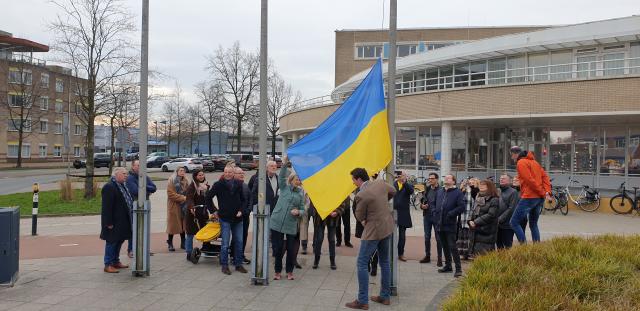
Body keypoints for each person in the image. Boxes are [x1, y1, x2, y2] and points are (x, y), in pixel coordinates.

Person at [346, 168, 396, 310]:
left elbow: (360, 216)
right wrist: (382, 205)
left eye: (353, 180)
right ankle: (385, 296)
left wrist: (368, 216)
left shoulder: (361, 194)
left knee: (362, 263)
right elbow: (393, 191)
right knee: (385, 262)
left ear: (358, 179)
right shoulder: (381, 183)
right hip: (387, 227)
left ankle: (362, 300)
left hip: (373, 231)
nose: (353, 183)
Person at [205, 166, 247, 275]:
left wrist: (241, 211)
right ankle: (224, 265)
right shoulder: (218, 184)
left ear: (233, 173)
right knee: (225, 244)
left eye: (230, 172)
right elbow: (208, 197)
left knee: (239, 242)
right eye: (226, 172)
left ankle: (238, 264)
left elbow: (243, 200)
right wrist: (213, 211)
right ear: (223, 173)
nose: (227, 174)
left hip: (238, 218)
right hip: (225, 218)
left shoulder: (238, 184)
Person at [269, 156, 305, 280]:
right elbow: (282, 175)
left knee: (291, 250)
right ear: (291, 180)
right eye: (296, 179)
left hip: (290, 224)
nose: (298, 181)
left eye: (300, 180)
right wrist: (284, 164)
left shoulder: (300, 194)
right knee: (278, 249)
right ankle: (277, 272)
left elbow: (303, 209)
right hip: (277, 222)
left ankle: (289, 272)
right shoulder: (284, 188)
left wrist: (298, 212)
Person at [508, 146, 551, 244]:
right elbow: (545, 177)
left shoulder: (521, 163)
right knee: (533, 224)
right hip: (539, 198)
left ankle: (524, 248)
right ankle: (536, 248)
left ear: (515, 154)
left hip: (529, 197)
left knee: (513, 222)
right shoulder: (535, 163)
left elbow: (529, 180)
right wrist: (546, 192)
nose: (512, 158)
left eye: (511, 155)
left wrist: (541, 192)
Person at [101, 167, 133, 273]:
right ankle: (108, 264)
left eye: (126, 174)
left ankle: (115, 261)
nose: (126, 175)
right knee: (112, 241)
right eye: (124, 173)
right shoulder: (109, 187)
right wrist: (108, 222)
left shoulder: (122, 185)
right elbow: (107, 207)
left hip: (122, 221)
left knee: (119, 240)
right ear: (116, 175)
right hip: (113, 222)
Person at [433, 174, 465, 278]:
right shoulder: (440, 191)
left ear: (453, 181)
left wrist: (451, 214)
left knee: (452, 246)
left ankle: (458, 269)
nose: (446, 179)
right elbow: (433, 203)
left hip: (450, 224)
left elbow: (461, 207)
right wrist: (434, 212)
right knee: (444, 245)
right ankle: (448, 265)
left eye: (449, 178)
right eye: (445, 178)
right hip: (439, 223)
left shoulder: (458, 193)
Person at [125, 159, 157, 258]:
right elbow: (135, 191)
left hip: (145, 206)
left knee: (144, 228)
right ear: (133, 166)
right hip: (134, 207)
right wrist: (147, 190)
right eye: (138, 165)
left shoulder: (144, 177)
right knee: (134, 229)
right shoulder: (130, 178)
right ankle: (131, 250)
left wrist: (143, 187)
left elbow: (154, 188)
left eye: (141, 165)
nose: (140, 167)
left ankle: (144, 249)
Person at [310, 197, 345, 270]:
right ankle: (316, 260)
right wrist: (324, 211)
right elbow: (314, 202)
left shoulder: (337, 190)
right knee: (319, 239)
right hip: (320, 218)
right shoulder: (319, 188)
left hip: (333, 219)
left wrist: (337, 212)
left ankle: (332, 261)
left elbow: (342, 202)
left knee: (332, 240)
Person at [183, 169, 211, 262]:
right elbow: (189, 198)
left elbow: (208, 199)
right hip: (193, 214)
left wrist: (214, 210)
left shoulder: (206, 186)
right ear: (195, 176)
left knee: (206, 232)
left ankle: (206, 248)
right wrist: (191, 207)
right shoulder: (192, 187)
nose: (201, 176)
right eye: (199, 175)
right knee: (190, 234)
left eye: (202, 175)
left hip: (203, 213)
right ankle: (189, 252)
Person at [468, 179, 500, 255]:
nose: (481, 186)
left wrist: (475, 222)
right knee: (476, 254)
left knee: (485, 255)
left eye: (484, 185)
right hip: (476, 229)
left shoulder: (494, 199)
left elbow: (491, 215)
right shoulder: (478, 197)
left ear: (490, 187)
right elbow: (473, 210)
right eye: (480, 184)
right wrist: (470, 220)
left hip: (487, 230)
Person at [420, 172, 443, 266]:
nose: (430, 180)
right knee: (427, 237)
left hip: (437, 217)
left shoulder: (441, 190)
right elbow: (423, 200)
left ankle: (440, 258)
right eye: (429, 178)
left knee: (438, 238)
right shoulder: (427, 189)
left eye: (432, 178)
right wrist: (422, 206)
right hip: (427, 217)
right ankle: (427, 256)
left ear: (437, 179)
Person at [230, 167, 251, 264]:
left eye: (243, 173)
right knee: (236, 237)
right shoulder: (231, 185)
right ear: (234, 174)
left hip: (245, 215)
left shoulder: (246, 186)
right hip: (235, 216)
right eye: (239, 173)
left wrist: (247, 210)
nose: (242, 175)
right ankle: (234, 255)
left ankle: (240, 254)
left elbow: (250, 200)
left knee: (244, 235)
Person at [393, 171, 414, 262]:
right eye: (400, 175)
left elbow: (411, 191)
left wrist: (404, 182)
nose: (401, 177)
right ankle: (391, 253)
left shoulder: (407, 185)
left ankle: (401, 253)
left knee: (402, 236)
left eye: (403, 175)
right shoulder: (392, 184)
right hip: (392, 213)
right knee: (391, 235)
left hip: (403, 214)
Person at [166, 167, 188, 252]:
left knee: (183, 225)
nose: (182, 172)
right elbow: (170, 194)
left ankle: (183, 243)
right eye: (181, 171)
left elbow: (189, 192)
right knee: (172, 225)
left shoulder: (186, 181)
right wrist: (183, 198)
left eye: (183, 171)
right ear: (177, 171)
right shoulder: (172, 181)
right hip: (174, 206)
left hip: (184, 206)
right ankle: (170, 243)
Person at [496, 174, 520, 249]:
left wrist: (500, 219)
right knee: (498, 244)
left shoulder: (513, 192)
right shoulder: (498, 190)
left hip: (507, 225)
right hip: (497, 224)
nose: (501, 179)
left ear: (510, 181)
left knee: (507, 245)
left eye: (504, 178)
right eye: (500, 178)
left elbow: (512, 208)